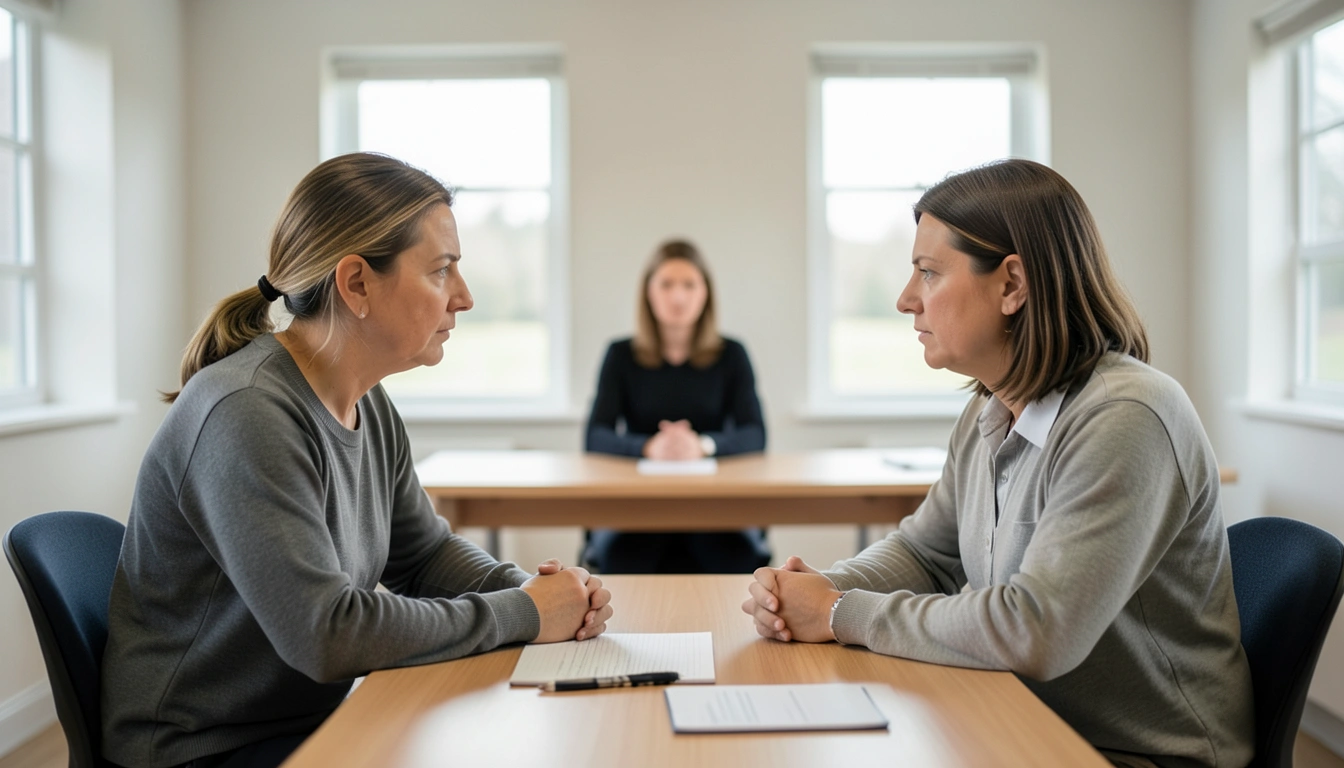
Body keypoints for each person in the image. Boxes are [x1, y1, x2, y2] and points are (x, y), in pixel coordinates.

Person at [101, 153, 613, 768]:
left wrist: (532, 589)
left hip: (305, 722)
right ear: (356, 284)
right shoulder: (246, 411)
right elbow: (328, 633)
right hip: (203, 750)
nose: (465, 297)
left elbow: (421, 555)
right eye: (441, 271)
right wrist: (525, 613)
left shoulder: (366, 401)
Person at [741, 159, 1253, 768]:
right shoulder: (991, 410)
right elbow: (926, 554)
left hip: (1137, 754)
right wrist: (827, 586)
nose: (907, 300)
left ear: (1013, 284)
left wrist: (834, 613)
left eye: (928, 274)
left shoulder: (1127, 416)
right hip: (1026, 718)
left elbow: (1036, 630)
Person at [584, 239, 770, 574]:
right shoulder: (620, 355)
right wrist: (648, 446)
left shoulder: (732, 354)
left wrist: (702, 444)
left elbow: (755, 433)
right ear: (648, 293)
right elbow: (595, 435)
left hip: (713, 506)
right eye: (666, 284)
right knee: (623, 560)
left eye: (689, 285)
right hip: (637, 507)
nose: (678, 297)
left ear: (706, 293)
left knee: (735, 557)